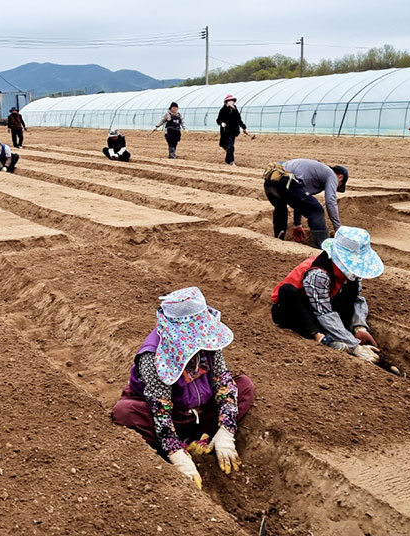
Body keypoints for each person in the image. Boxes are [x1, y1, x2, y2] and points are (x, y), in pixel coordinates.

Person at [111, 287, 254, 489]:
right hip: (167, 414)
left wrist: (227, 430)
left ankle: (203, 437)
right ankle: (178, 445)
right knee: (125, 412)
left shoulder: (209, 341)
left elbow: (223, 382)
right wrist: (176, 454)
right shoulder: (153, 356)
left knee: (244, 386)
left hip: (201, 412)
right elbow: (160, 410)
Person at [268, 226, 383, 364]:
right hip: (297, 310)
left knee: (350, 289)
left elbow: (357, 300)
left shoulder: (352, 273)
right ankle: (320, 337)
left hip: (323, 305)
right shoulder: (319, 274)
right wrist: (354, 347)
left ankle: (341, 334)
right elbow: (323, 313)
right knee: (287, 291)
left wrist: (359, 327)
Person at [263, 159, 348, 248]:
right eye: (339, 185)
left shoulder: (316, 172)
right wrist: (338, 229)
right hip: (286, 181)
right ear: (340, 177)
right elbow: (330, 201)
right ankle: (324, 248)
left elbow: (300, 201)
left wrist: (297, 225)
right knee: (316, 210)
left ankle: (278, 240)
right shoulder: (331, 175)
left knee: (280, 208)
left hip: (270, 183)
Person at [217, 94, 249, 166]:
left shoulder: (235, 110)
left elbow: (239, 120)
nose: (231, 102)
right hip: (226, 132)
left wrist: (244, 128)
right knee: (231, 147)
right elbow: (218, 120)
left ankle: (228, 161)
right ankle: (231, 162)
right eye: (229, 101)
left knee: (230, 148)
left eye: (232, 101)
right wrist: (221, 123)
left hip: (233, 131)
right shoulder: (223, 110)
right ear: (226, 102)